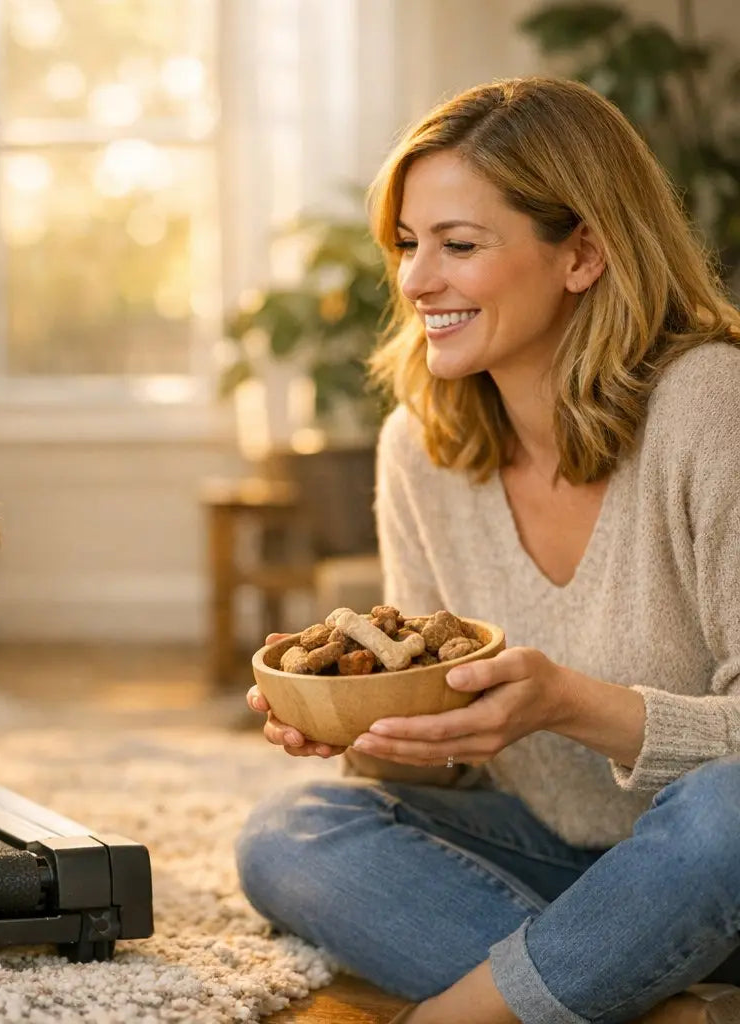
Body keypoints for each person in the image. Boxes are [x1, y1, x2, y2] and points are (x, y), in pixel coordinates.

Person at [234, 76, 740, 1024]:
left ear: (582, 253)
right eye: (409, 245)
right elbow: (449, 763)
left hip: (715, 856)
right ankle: (635, 988)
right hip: (557, 852)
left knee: (733, 813)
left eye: (459, 246)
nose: (418, 280)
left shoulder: (712, 407)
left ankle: (473, 1013)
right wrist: (374, 730)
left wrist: (568, 703)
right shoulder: (419, 450)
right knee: (289, 833)